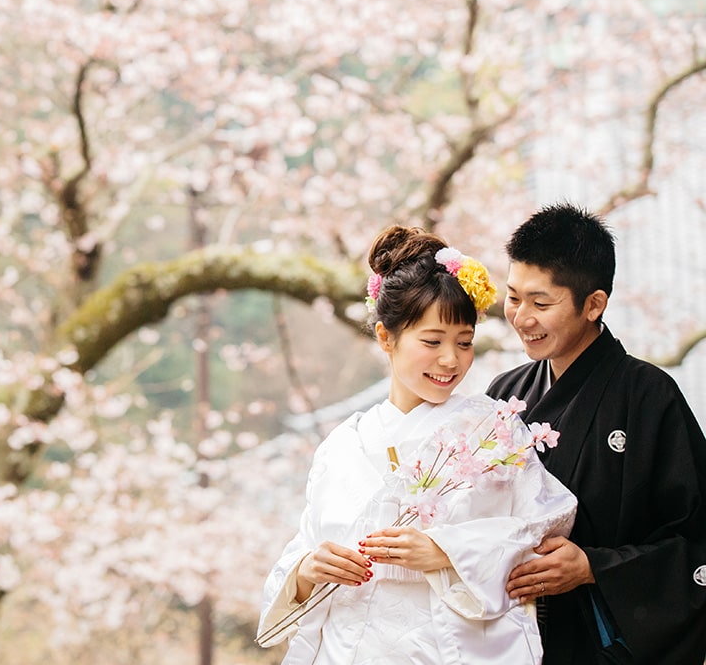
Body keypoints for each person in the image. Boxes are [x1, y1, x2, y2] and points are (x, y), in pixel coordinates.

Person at [258, 225, 577, 664]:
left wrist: (446, 552)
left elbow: (545, 525)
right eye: (432, 341)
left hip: (448, 646)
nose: (451, 360)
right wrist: (307, 571)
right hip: (351, 647)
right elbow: (307, 543)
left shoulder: (493, 431)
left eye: (464, 343)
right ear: (386, 338)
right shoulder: (341, 447)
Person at [487, 203, 706, 664]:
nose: (521, 317)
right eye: (513, 297)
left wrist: (594, 567)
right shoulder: (505, 394)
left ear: (594, 304)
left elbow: (696, 543)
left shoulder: (649, 396)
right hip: (516, 645)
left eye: (541, 303)